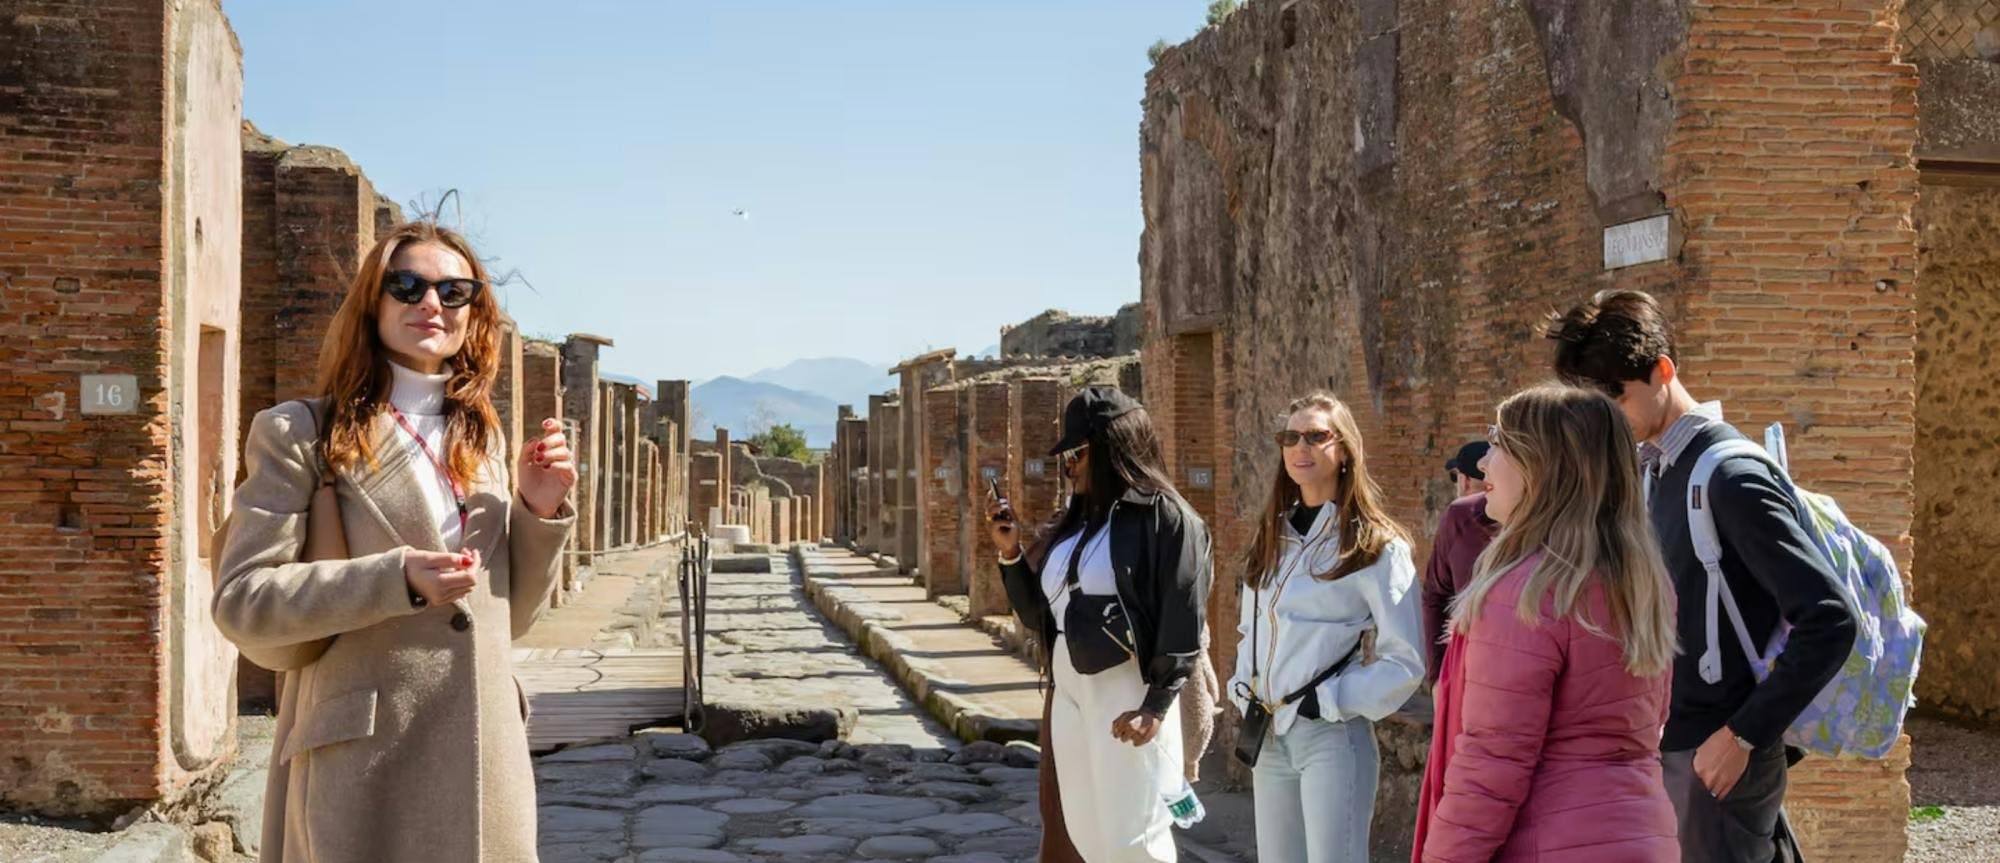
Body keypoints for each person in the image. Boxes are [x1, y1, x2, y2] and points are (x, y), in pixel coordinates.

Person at [213, 220, 578, 863]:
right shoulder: (298, 433)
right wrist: (395, 579)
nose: (429, 303)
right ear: (373, 303)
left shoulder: (485, 442)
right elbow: (243, 601)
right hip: (362, 764)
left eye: (453, 290)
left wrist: (536, 511)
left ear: (474, 312)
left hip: (484, 760)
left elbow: (507, 619)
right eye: (406, 285)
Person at [1548, 290, 1856, 862]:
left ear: (1662, 371)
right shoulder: (1656, 467)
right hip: (1675, 748)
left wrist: (1740, 737)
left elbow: (1831, 618)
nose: (1605, 417)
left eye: (1615, 396)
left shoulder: (1730, 477)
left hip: (1717, 756)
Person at [1416, 384, 1680, 862]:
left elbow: (1492, 765)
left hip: (1551, 839)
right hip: (1642, 833)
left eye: (1500, 443)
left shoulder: (1524, 594)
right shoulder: (1644, 582)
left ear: (1543, 468)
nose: (1482, 464)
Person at [989, 386, 1211, 863]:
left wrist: (1154, 706)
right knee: (1086, 832)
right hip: (1070, 692)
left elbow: (1182, 619)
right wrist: (1010, 554)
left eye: (1078, 452)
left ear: (1116, 447)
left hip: (1127, 692)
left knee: (1134, 840)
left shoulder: (1168, 520)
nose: (1068, 466)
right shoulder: (1076, 524)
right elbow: (1038, 616)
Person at [1226, 393, 1425, 862]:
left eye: (1317, 436)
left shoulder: (1377, 546)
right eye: (1291, 437)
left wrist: (1330, 701)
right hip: (1269, 735)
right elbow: (1250, 630)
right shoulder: (1271, 537)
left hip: (1332, 739)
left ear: (1345, 450)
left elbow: (1407, 660)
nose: (1302, 446)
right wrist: (1242, 687)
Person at [1422, 442, 1498, 685]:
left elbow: (1434, 596)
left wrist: (1437, 678)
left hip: (1466, 668)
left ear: (1463, 481)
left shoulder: (1457, 518)